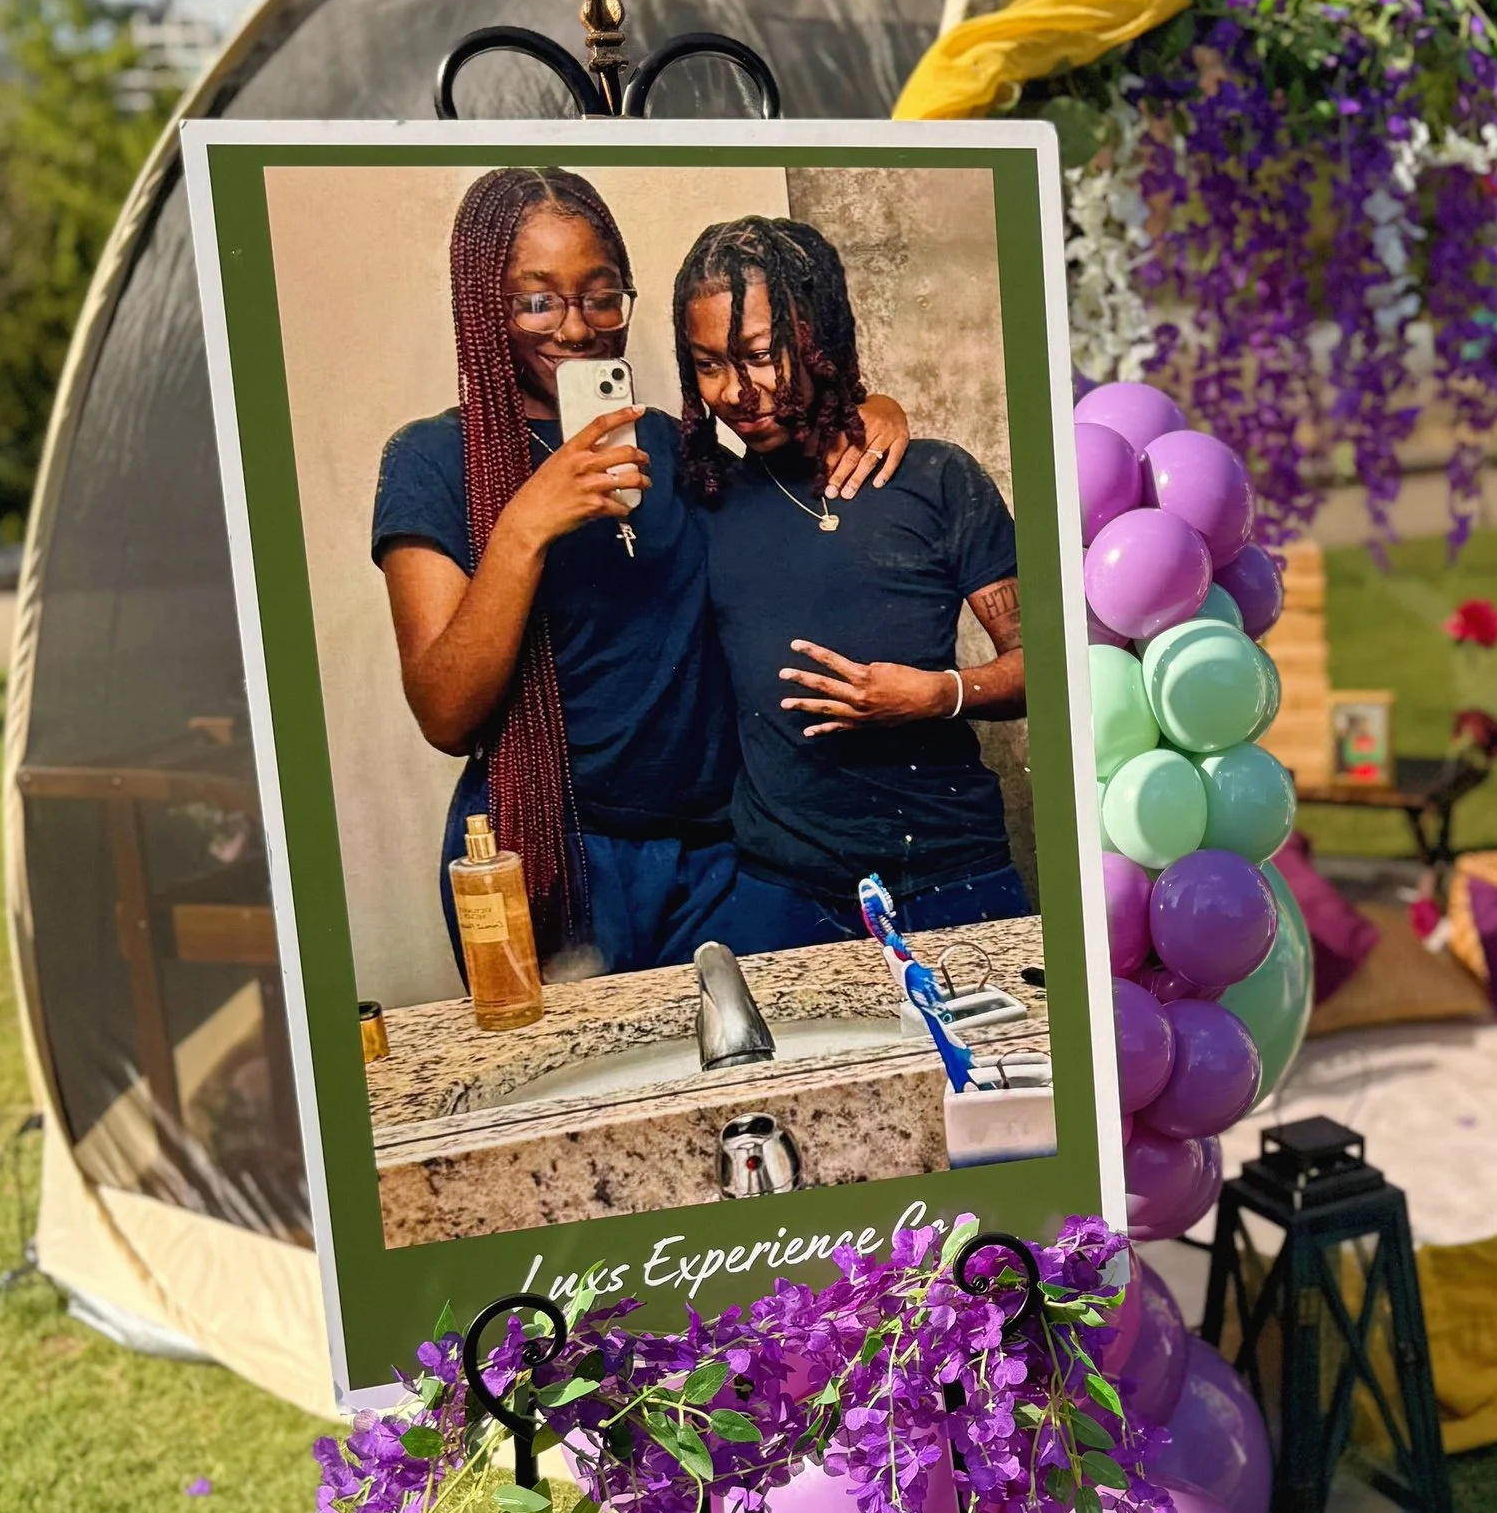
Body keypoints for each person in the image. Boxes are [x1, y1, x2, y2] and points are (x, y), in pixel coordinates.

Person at [372, 167, 904, 978]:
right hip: (550, 847)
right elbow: (445, 712)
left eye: (602, 294)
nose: (578, 329)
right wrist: (524, 528)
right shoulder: (434, 458)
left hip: (722, 855)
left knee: (747, 1084)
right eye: (538, 300)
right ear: (484, 304)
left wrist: (868, 409)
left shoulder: (669, 443)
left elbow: (785, 518)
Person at [669, 214, 1030, 952]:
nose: (737, 390)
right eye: (708, 364)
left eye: (761, 354)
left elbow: (1048, 668)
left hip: (952, 873)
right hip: (782, 892)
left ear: (819, 337)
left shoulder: (935, 478)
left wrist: (937, 694)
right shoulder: (705, 501)